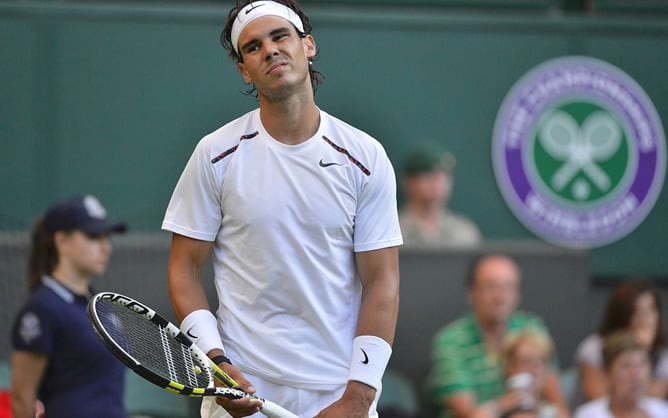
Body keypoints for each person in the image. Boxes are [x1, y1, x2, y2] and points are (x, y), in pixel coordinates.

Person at [161, 1, 403, 417]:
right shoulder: (215, 154)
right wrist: (216, 367)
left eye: (280, 37)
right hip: (244, 388)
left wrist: (359, 395)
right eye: (253, 47)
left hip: (338, 394)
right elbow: (183, 269)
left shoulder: (366, 157)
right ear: (244, 70)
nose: (270, 50)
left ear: (307, 46)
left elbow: (381, 281)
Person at [10, 194, 127, 418]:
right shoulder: (42, 308)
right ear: (61, 240)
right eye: (93, 236)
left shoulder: (102, 306)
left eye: (107, 237)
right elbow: (21, 399)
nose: (106, 248)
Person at [429, 254, 569, 418]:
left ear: (518, 294)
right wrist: (512, 401)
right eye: (490, 287)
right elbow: (467, 415)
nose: (500, 297)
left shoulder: (532, 328)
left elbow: (558, 406)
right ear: (471, 292)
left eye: (508, 287)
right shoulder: (451, 341)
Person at [575, 281, 668, 403]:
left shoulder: (663, 355)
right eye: (637, 312)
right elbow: (600, 402)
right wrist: (637, 347)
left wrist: (642, 350)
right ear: (622, 315)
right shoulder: (594, 348)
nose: (645, 319)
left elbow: (650, 404)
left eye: (651, 309)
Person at [398, 142, 481, 248]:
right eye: (428, 175)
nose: (437, 182)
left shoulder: (464, 232)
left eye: (443, 176)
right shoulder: (393, 231)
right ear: (409, 181)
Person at [574, 331, 668, 418]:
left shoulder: (663, 411)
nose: (636, 374)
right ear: (607, 374)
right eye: (626, 366)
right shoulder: (588, 415)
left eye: (642, 364)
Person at [472, 329, 559, 418]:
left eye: (539, 363)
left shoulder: (550, 412)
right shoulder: (493, 410)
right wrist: (502, 405)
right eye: (527, 362)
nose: (533, 370)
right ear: (510, 367)